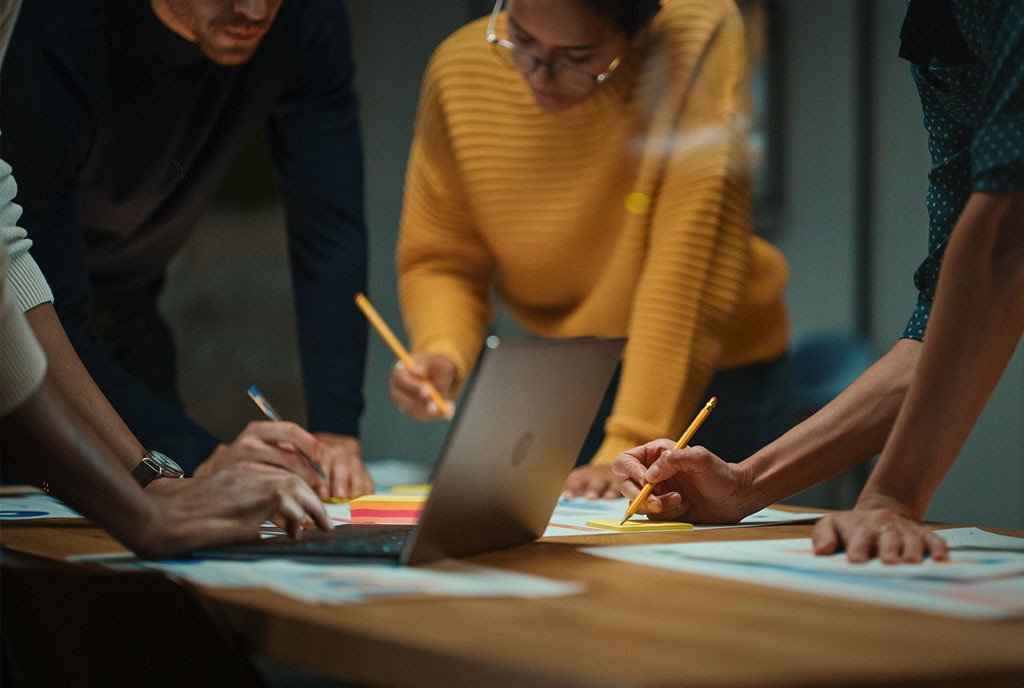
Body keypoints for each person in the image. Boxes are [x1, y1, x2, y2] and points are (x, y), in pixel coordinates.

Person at [613, 0, 1024, 562]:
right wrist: (744, 484)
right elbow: (947, 325)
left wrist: (893, 494)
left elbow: (1006, 238)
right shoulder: (942, 27)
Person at [389, 0, 792, 499]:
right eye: (521, 40)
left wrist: (628, 442)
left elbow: (685, 272)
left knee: (682, 557)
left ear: (637, 31)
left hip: (710, 370)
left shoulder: (696, 37)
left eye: (577, 57)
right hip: (570, 366)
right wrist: (442, 350)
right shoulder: (458, 70)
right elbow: (443, 256)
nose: (541, 75)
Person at [0, 0, 373, 499]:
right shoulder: (55, 27)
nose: (253, 10)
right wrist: (202, 456)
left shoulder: (303, 18)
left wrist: (335, 432)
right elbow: (35, 292)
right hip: (26, 335)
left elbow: (329, 233)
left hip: (129, 329)